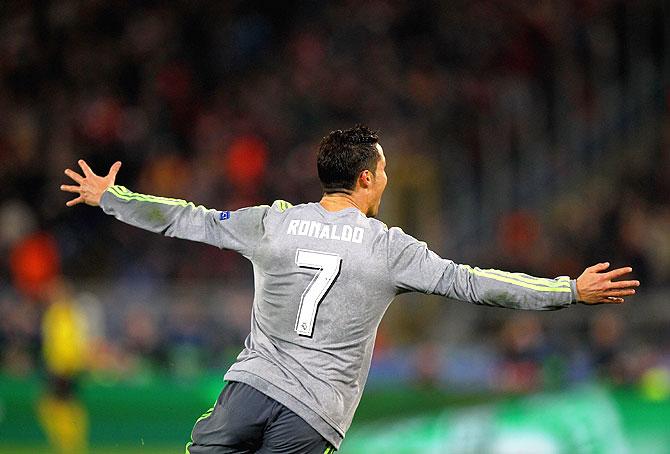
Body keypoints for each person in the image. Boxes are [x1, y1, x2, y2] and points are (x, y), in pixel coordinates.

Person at [60, 125, 639, 453]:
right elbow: (478, 285)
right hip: (315, 416)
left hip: (249, 391)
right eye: (383, 170)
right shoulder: (389, 249)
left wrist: (113, 200)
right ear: (366, 178)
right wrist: (567, 290)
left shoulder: (275, 221)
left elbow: (192, 220)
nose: (386, 178)